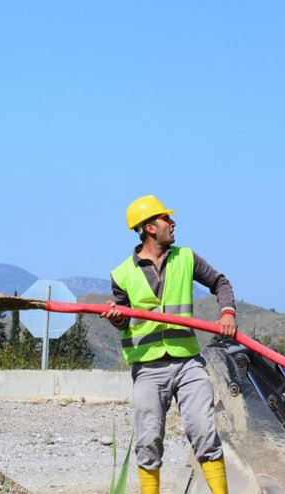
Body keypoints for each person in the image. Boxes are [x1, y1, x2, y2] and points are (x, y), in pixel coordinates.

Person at [100, 195, 236, 494]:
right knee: (148, 441)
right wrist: (116, 318)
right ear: (150, 228)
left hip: (188, 362)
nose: (173, 224)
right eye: (166, 220)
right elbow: (123, 321)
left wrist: (227, 311)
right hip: (148, 368)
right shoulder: (121, 274)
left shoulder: (186, 257)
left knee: (204, 431)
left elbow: (220, 283)